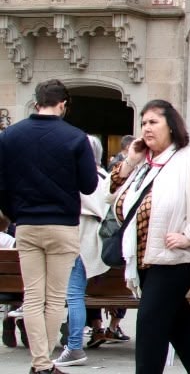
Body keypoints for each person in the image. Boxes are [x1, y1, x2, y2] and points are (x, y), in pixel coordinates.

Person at [109, 99, 190, 374]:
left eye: (153, 122)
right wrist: (130, 161)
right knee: (181, 329)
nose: (147, 128)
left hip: (175, 260)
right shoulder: (145, 164)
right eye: (143, 123)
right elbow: (111, 195)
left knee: (150, 326)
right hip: (144, 260)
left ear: (171, 125)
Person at [0, 79, 99, 374]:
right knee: (56, 298)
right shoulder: (75, 137)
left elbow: (1, 185)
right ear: (63, 104)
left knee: (33, 296)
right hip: (63, 225)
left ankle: (40, 363)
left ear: (36, 101)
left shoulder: (10, 136)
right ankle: (45, 363)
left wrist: (15, 212)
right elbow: (89, 185)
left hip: (27, 223)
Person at [54, 135, 110, 368]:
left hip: (79, 239)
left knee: (74, 295)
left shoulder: (77, 179)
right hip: (100, 244)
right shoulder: (107, 177)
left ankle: (74, 345)